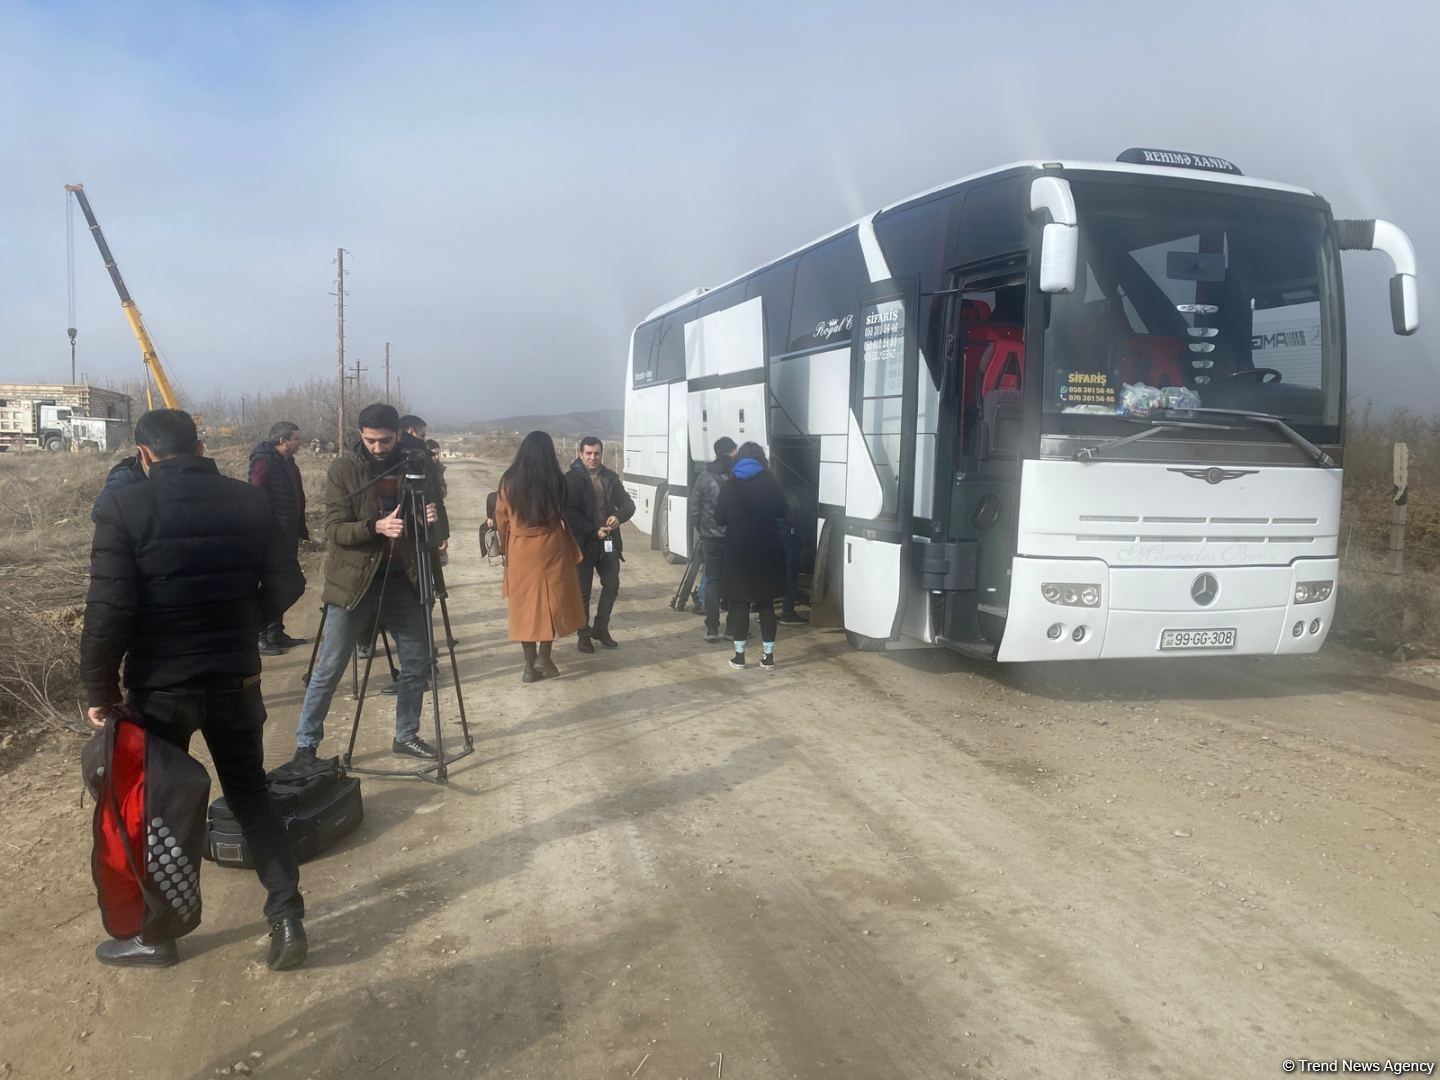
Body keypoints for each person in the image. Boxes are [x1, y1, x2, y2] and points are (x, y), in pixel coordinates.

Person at [80, 408, 308, 970]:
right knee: (251, 795)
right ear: (199, 445)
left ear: (145, 454)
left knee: (157, 809)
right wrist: (244, 621)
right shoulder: (248, 501)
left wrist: (98, 687)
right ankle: (287, 918)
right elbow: (289, 579)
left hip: (160, 687)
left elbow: (108, 611)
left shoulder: (123, 506)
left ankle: (157, 936)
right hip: (235, 675)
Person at [292, 403, 450, 762]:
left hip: (401, 578)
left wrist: (429, 520)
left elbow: (440, 532)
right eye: (370, 440)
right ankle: (306, 744)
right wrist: (374, 527)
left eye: (385, 441)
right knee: (329, 667)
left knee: (417, 661)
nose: (378, 448)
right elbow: (334, 529)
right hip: (354, 582)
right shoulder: (344, 468)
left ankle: (406, 734)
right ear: (360, 435)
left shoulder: (416, 466)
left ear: (399, 435)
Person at [494, 432, 586, 682]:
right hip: (552, 545)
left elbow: (501, 518)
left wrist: (504, 548)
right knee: (550, 601)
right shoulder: (555, 479)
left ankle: (528, 667)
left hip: (521, 548)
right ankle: (544, 656)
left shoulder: (508, 480)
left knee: (525, 606)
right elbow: (561, 511)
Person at [715, 442, 788, 671]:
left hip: (739, 553)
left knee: (739, 604)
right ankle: (768, 657)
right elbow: (784, 511)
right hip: (767, 552)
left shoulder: (730, 485)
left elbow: (719, 518)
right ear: (761, 459)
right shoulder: (771, 483)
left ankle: (739, 656)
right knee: (766, 604)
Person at [563, 436, 635, 652]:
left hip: (609, 542)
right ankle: (583, 634)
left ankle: (601, 627)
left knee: (612, 585)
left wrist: (618, 516)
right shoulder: (570, 480)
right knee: (583, 592)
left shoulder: (611, 478)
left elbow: (628, 504)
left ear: (601, 454)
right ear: (580, 454)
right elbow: (569, 513)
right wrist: (593, 530)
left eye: (597, 453)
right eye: (589, 453)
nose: (593, 457)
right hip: (584, 542)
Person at [249, 421, 309, 654]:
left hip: (287, 533)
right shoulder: (264, 462)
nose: (299, 443)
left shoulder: (288, 463)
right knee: (280, 585)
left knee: (282, 585)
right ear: (283, 441)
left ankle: (275, 631)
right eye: (296, 438)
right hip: (270, 537)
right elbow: (256, 496)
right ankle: (259, 634)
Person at [689, 436, 737, 643]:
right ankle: (732, 629)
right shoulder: (738, 475)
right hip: (735, 539)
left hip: (711, 539)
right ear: (733, 452)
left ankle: (712, 628)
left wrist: (704, 529)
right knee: (736, 582)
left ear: (716, 453)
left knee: (713, 581)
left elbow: (694, 510)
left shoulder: (704, 478)